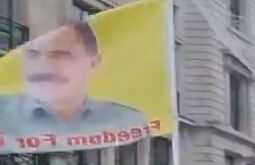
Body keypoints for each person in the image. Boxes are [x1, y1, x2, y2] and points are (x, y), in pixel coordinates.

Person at [0, 23, 147, 138]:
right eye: (32, 54)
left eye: (59, 56)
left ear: (93, 63)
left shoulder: (127, 120)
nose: (43, 66)